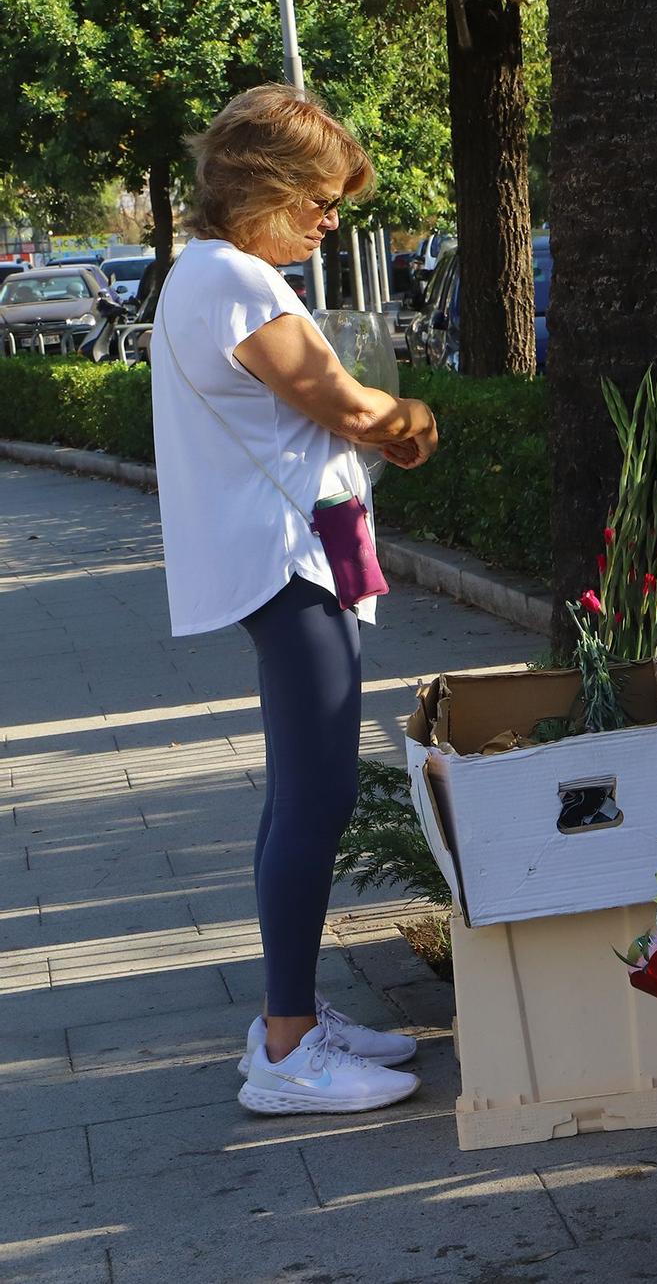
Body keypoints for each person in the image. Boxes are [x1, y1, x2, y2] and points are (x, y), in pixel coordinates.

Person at [152, 84, 440, 1116]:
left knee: (298, 794)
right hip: (287, 561)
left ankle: (294, 1012)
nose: (329, 220)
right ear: (262, 187)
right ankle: (285, 1047)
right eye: (317, 199)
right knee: (314, 797)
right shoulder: (233, 282)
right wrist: (408, 417)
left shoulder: (208, 275)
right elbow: (347, 404)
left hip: (287, 554)